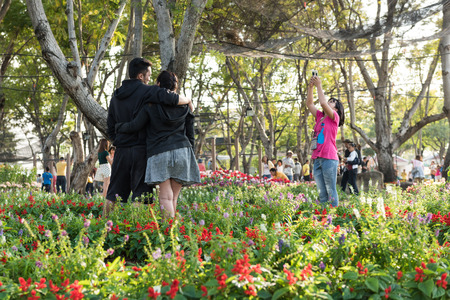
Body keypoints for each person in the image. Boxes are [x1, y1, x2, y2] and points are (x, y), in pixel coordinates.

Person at [105, 57, 193, 217]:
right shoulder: (148, 91)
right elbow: (172, 98)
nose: (150, 78)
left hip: (122, 150)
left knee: (113, 193)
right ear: (140, 76)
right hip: (141, 150)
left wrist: (117, 140)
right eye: (148, 75)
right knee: (140, 196)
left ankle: (104, 225)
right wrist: (188, 100)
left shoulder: (115, 96)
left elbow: (110, 126)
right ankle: (136, 228)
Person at [306, 74, 345, 207]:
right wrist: (310, 87)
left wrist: (319, 85)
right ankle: (324, 216)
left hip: (329, 157)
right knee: (321, 192)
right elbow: (309, 104)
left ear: (336, 108)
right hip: (317, 158)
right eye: (330, 100)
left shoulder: (334, 117)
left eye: (332, 101)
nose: (329, 101)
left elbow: (322, 102)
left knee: (330, 189)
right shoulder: (320, 117)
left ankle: (334, 216)